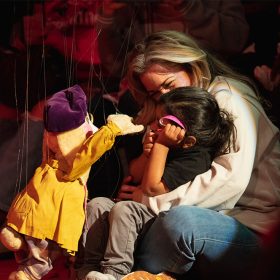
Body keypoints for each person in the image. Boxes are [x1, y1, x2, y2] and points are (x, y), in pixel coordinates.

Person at [83, 30, 280, 280]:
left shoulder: (228, 98)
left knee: (181, 224)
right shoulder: (169, 112)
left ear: (192, 67)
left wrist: (147, 203)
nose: (164, 96)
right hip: (184, 213)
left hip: (251, 224)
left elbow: (229, 181)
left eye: (169, 85)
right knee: (105, 213)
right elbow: (143, 177)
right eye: (155, 93)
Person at [77, 86, 236, 280]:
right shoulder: (169, 143)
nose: (153, 126)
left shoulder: (196, 158)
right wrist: (147, 153)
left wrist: (161, 146)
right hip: (138, 211)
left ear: (188, 141)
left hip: (156, 219)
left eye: (164, 123)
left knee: (125, 210)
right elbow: (135, 175)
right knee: (98, 204)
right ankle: (87, 270)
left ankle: (116, 273)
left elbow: (151, 188)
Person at [0, 85, 144, 280]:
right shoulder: (70, 148)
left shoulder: (51, 140)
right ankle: (30, 273)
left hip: (37, 197)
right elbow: (84, 157)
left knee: (35, 231)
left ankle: (18, 238)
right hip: (54, 205)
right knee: (46, 245)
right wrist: (111, 130)